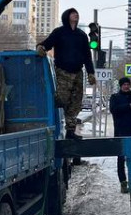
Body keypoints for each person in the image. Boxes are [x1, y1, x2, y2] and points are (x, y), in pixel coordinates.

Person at [36, 8, 96, 139]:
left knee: (75, 103)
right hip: (63, 71)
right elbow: (47, 43)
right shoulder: (59, 32)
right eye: (73, 13)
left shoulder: (82, 35)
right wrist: (41, 47)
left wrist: (91, 73)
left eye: (77, 13)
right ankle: (50, 120)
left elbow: (87, 56)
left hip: (78, 72)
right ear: (66, 16)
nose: (76, 15)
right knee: (61, 99)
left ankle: (70, 131)